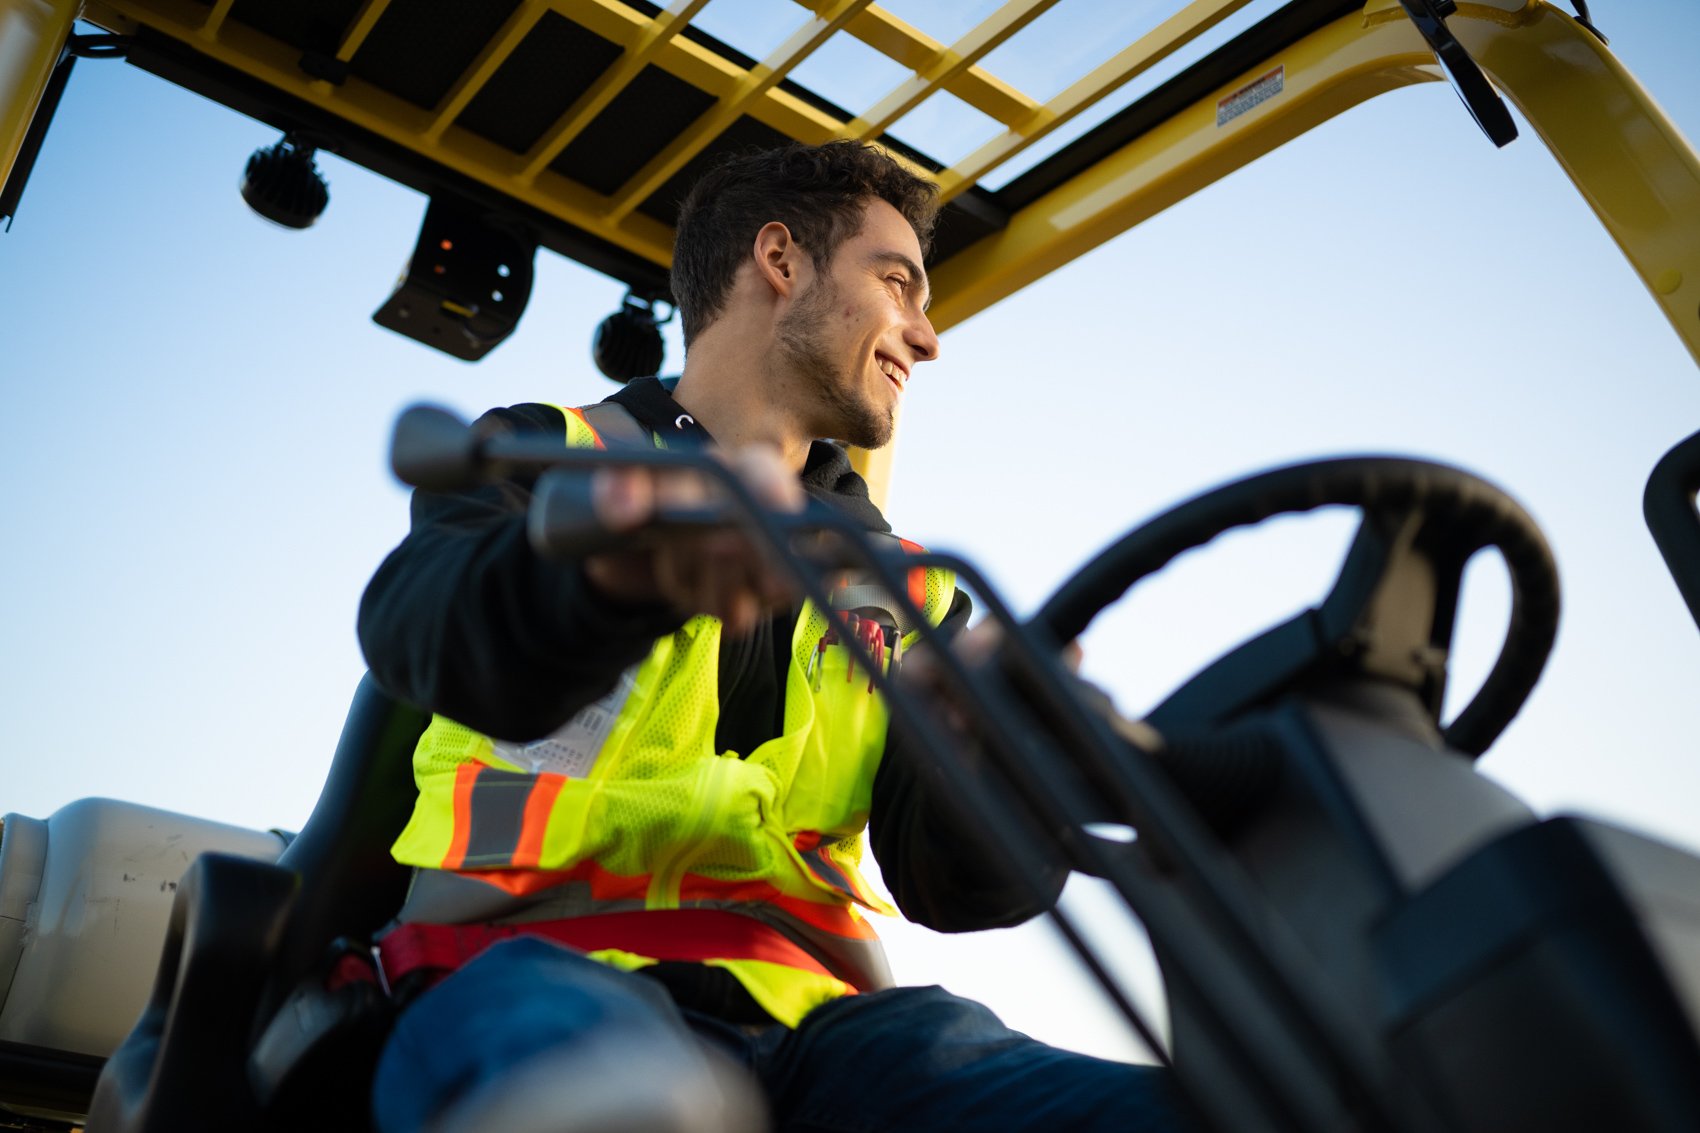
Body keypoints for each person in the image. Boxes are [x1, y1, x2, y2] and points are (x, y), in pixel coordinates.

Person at [357, 140, 1187, 1133]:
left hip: (837, 1034)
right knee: (615, 1108)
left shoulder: (912, 588)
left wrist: (1004, 757)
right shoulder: (551, 460)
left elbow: (949, 881)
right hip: (532, 969)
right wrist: (602, 586)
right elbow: (423, 627)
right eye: (897, 284)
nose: (926, 338)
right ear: (780, 260)